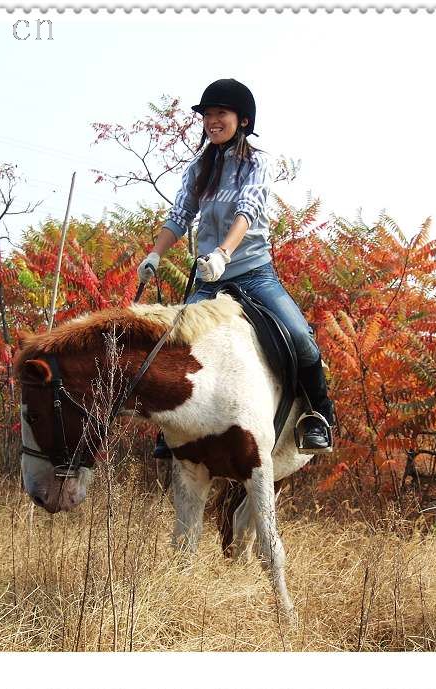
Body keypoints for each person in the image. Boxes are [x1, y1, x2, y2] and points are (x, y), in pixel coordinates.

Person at [137, 78, 335, 455]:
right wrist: (156, 254)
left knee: (300, 338)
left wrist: (224, 253)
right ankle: (173, 428)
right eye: (207, 115)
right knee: (171, 341)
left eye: (220, 114)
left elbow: (248, 211)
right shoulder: (199, 167)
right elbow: (180, 215)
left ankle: (318, 416)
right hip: (210, 280)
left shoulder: (258, 163)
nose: (212, 120)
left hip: (252, 272)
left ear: (242, 120)